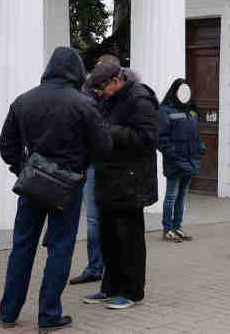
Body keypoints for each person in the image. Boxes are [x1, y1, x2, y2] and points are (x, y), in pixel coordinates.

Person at [0, 47, 114, 332]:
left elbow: (6, 146)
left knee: (22, 248)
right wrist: (79, 165)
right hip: (67, 188)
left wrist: (23, 169)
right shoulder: (83, 104)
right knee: (60, 249)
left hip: (32, 185)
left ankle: (8, 314)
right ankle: (48, 315)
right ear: (75, 70)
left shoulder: (23, 100)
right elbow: (104, 147)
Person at [83, 63, 158, 309]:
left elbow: (147, 138)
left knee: (130, 239)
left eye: (103, 88)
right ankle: (110, 287)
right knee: (109, 238)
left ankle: (132, 291)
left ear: (116, 80)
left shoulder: (140, 99)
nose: (101, 93)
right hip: (108, 178)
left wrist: (108, 131)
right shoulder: (109, 99)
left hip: (131, 181)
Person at [70, 53, 122, 285]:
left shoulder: (121, 97)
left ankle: (114, 267)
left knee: (112, 219)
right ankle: (94, 267)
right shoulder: (85, 94)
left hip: (113, 164)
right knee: (93, 219)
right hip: (92, 164)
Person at [157, 78, 205, 242]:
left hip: (190, 159)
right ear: (175, 92)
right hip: (175, 161)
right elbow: (161, 138)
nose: (185, 95)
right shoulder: (165, 110)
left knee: (182, 196)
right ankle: (167, 229)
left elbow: (196, 135)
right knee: (171, 195)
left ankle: (177, 227)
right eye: (181, 91)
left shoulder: (191, 111)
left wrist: (200, 149)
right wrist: (173, 154)